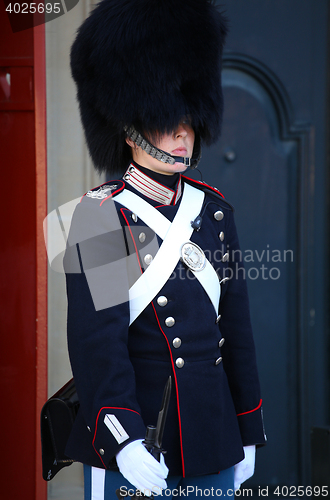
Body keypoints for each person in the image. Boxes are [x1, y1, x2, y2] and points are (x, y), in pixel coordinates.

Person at [64, 1, 266, 498]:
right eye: (164, 118)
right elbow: (98, 345)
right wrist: (124, 439)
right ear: (129, 126)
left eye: (189, 119)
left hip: (213, 438)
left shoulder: (214, 210)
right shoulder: (102, 215)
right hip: (140, 442)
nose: (182, 132)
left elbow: (235, 332)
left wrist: (248, 430)